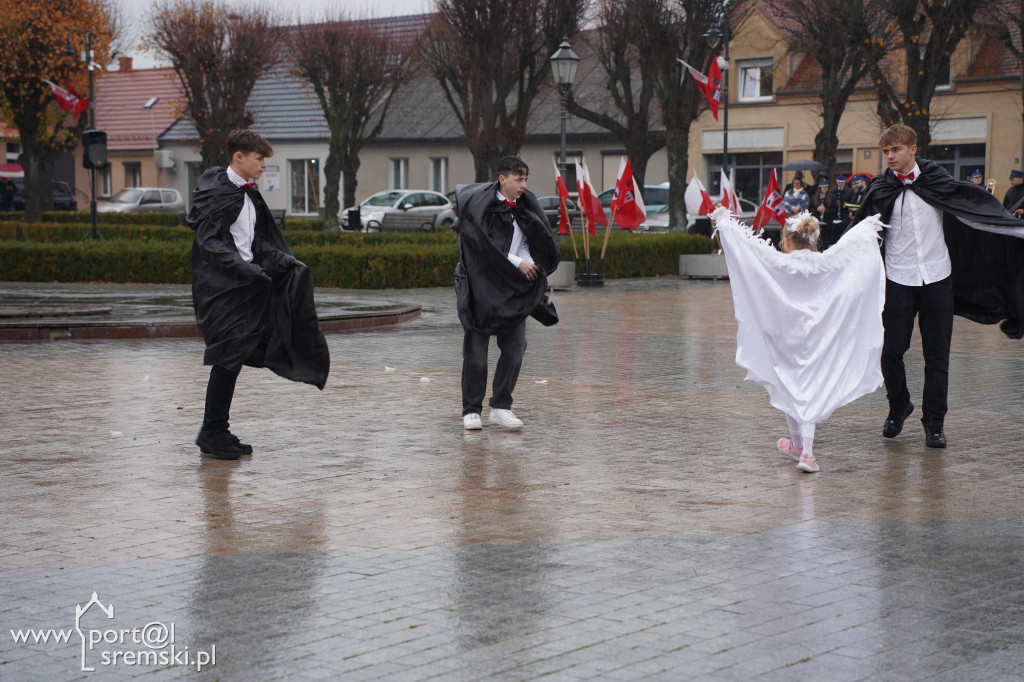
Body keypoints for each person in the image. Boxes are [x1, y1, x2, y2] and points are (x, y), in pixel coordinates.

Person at [853, 124, 1024, 449]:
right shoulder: (879, 189)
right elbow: (860, 234)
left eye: (896, 150)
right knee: (890, 352)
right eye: (885, 151)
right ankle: (899, 405)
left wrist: (1014, 228)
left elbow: (978, 207)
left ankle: (934, 423)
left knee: (937, 356)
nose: (889, 156)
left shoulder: (937, 182)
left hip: (937, 280)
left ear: (912, 149)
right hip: (898, 281)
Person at [187, 129, 330, 459]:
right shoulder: (219, 194)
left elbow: (253, 242)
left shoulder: (247, 195)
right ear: (240, 157)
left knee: (233, 358)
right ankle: (212, 432)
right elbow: (211, 244)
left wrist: (283, 262)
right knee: (228, 357)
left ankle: (216, 430)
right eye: (259, 158)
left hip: (245, 290)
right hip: (223, 292)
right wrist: (246, 269)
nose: (264, 164)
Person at [713, 207, 886, 473]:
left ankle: (804, 450)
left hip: (784, 338)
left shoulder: (778, 262)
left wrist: (724, 221)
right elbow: (849, 251)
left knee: (789, 384)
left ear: (786, 241)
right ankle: (802, 449)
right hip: (817, 339)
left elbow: (748, 250)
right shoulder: (826, 262)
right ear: (813, 241)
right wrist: (866, 228)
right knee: (808, 387)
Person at [453, 156, 561, 430]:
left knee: (515, 348)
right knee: (476, 350)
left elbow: (526, 240)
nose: (523, 185)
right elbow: (485, 248)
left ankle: (501, 406)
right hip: (481, 286)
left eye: (525, 179)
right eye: (518, 179)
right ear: (502, 179)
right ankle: (471, 409)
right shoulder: (482, 210)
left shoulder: (525, 208)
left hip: (512, 290)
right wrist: (518, 262)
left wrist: (529, 263)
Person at [810, 176, 840, 248]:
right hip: (817, 222)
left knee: (827, 240)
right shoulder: (814, 197)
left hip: (828, 222)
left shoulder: (832, 197)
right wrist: (817, 209)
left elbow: (834, 210)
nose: (825, 189)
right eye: (823, 187)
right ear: (820, 188)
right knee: (817, 240)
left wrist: (825, 210)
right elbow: (810, 210)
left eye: (826, 187)